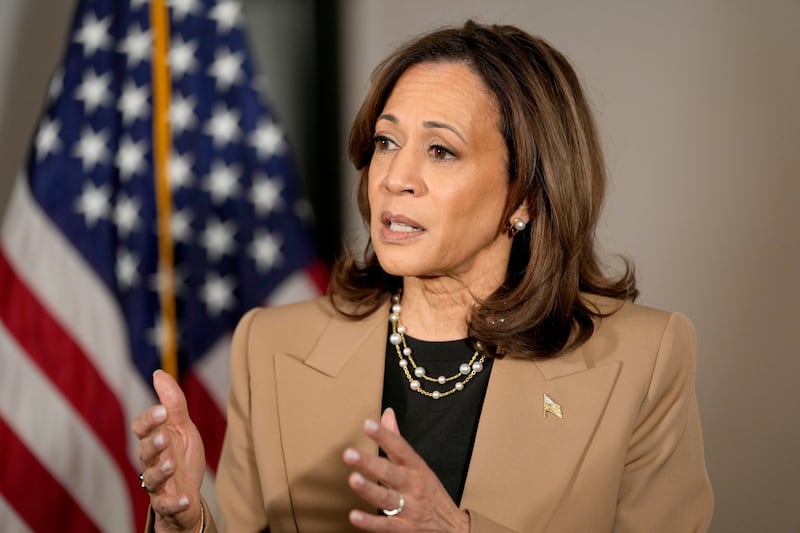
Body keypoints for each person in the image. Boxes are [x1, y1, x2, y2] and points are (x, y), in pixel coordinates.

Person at [132, 20, 713, 532]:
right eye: (387, 142)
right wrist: (188, 524)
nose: (394, 177)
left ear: (527, 196)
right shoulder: (271, 344)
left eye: (441, 151)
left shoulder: (644, 358)